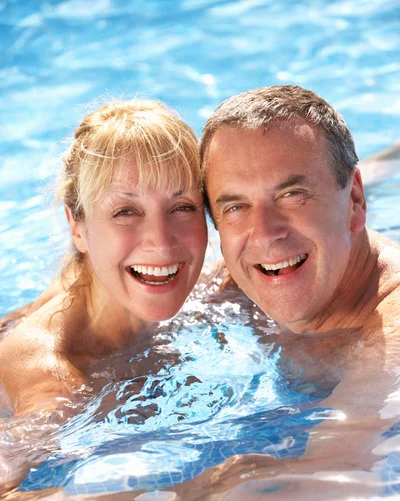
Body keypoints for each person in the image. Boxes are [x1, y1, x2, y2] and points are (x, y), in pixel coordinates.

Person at [199, 85, 400, 469]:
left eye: (293, 194)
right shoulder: (234, 281)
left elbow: (332, 468)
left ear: (356, 201)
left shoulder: (391, 326)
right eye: (236, 205)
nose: (264, 232)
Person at [0, 99, 207, 419]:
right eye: (125, 211)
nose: (163, 243)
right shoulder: (58, 386)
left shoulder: (105, 276)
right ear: (77, 228)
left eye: (182, 207)